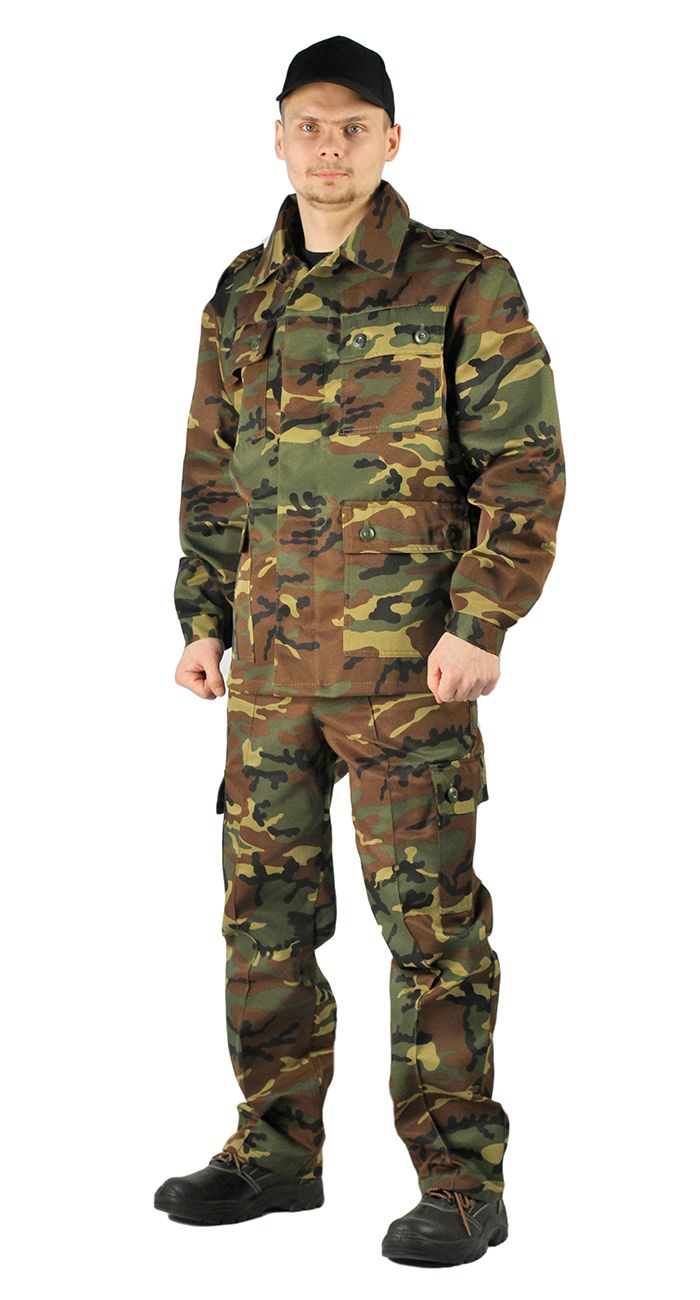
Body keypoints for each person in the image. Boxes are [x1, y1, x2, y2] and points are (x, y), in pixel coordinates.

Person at [154, 34, 566, 1268]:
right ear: (277, 137)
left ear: (391, 140)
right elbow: (213, 469)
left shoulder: (459, 279)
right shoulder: (242, 291)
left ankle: (460, 1184)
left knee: (430, 928)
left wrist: (482, 619)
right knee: (263, 922)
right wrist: (201, 617)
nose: (328, 150)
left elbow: (522, 464)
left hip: (408, 672)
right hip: (270, 671)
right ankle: (274, 1153)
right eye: (308, 127)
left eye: (352, 129)